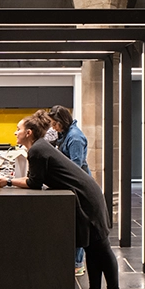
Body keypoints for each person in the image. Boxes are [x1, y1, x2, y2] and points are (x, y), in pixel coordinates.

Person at [7, 110, 126, 289]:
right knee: (93, 247)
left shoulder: (37, 150)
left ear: (28, 132)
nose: (15, 133)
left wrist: (7, 181)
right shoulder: (40, 146)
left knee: (101, 247)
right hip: (87, 195)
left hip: (87, 199)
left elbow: (34, 182)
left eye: (18, 129)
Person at [48, 105, 91, 277]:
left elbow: (76, 166)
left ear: (61, 121)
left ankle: (77, 264)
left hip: (78, 185)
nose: (52, 127)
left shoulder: (75, 138)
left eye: (54, 124)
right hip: (71, 183)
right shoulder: (64, 133)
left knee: (78, 224)